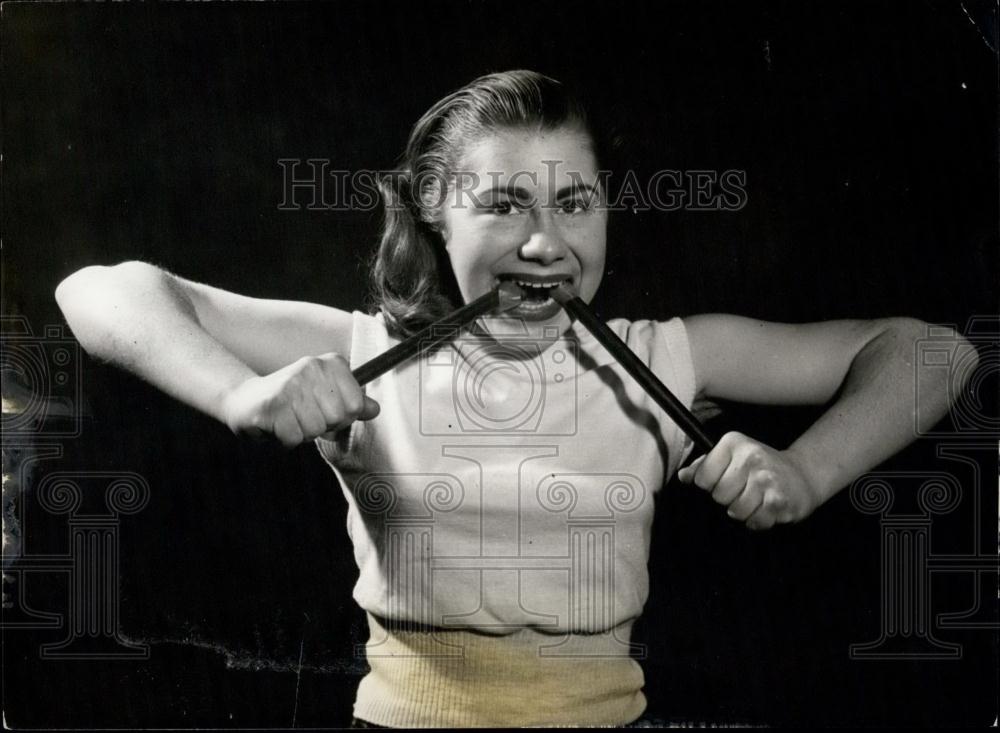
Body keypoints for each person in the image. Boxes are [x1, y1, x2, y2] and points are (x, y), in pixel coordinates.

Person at [54, 70, 973, 728]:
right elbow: (97, 289)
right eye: (501, 204)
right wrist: (242, 391)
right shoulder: (364, 350)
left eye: (574, 202)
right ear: (434, 218)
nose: (545, 243)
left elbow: (935, 352)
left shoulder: (667, 357)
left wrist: (807, 472)